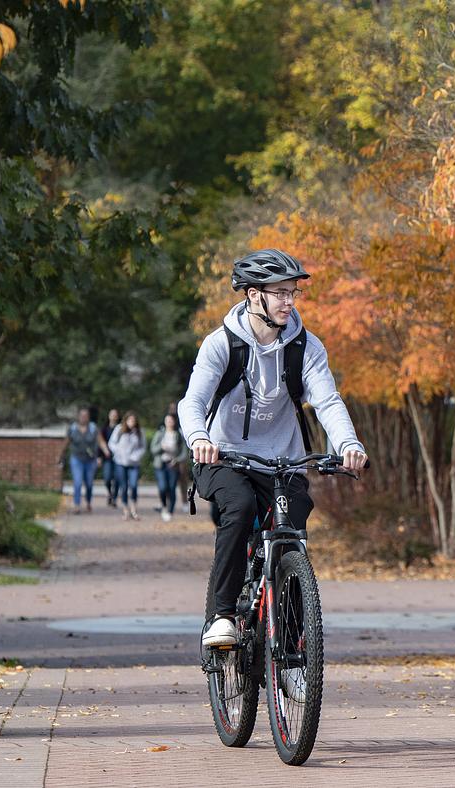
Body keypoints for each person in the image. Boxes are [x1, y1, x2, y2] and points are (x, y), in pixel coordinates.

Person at [178, 248, 367, 648]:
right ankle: (222, 616)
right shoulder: (221, 344)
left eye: (292, 293)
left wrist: (347, 443)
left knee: (292, 528)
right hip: (224, 455)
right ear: (252, 295)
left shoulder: (305, 346)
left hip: (283, 460)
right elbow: (192, 402)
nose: (288, 301)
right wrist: (199, 439)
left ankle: (295, 645)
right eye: (279, 292)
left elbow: (327, 401)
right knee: (240, 508)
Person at [151, 413, 188, 522]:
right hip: (161, 464)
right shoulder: (159, 434)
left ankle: (170, 511)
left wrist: (176, 460)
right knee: (163, 487)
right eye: (167, 420)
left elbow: (184, 452)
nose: (169, 422)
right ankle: (163, 505)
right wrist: (161, 447)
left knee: (172, 488)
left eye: (171, 420)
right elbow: (153, 449)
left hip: (173, 465)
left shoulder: (178, 435)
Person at [110, 411, 145, 520]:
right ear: (125, 421)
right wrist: (118, 452)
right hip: (120, 462)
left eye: (133, 421)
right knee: (123, 487)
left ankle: (134, 509)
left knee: (133, 485)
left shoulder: (139, 432)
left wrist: (136, 456)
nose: (131, 423)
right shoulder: (119, 429)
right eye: (130, 420)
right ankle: (125, 510)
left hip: (133, 463)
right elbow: (111, 443)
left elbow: (142, 447)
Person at [65, 408, 101, 514]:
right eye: (82, 415)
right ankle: (76, 505)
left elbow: (100, 441)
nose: (84, 418)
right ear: (78, 417)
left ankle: (88, 501)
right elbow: (66, 442)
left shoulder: (93, 428)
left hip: (90, 460)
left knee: (89, 484)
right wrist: (60, 455)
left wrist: (105, 453)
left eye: (86, 416)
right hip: (76, 458)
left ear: (88, 417)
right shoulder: (73, 428)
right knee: (77, 482)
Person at [101, 409, 121, 507]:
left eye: (115, 415)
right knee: (107, 478)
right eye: (112, 414)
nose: (113, 416)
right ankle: (110, 493)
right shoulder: (104, 429)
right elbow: (100, 443)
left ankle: (114, 498)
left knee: (117, 479)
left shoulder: (121, 428)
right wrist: (99, 457)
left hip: (118, 457)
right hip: (107, 457)